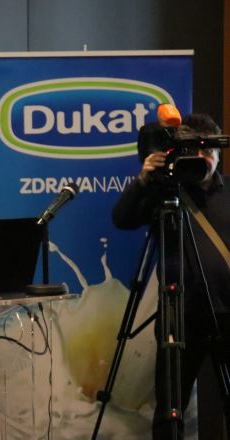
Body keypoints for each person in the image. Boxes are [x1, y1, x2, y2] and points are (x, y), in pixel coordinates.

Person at [112, 114, 230, 440]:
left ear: (219, 153)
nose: (203, 158)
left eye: (209, 151)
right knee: (170, 406)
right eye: (195, 151)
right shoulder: (167, 192)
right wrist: (144, 179)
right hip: (180, 314)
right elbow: (122, 219)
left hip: (227, 311)